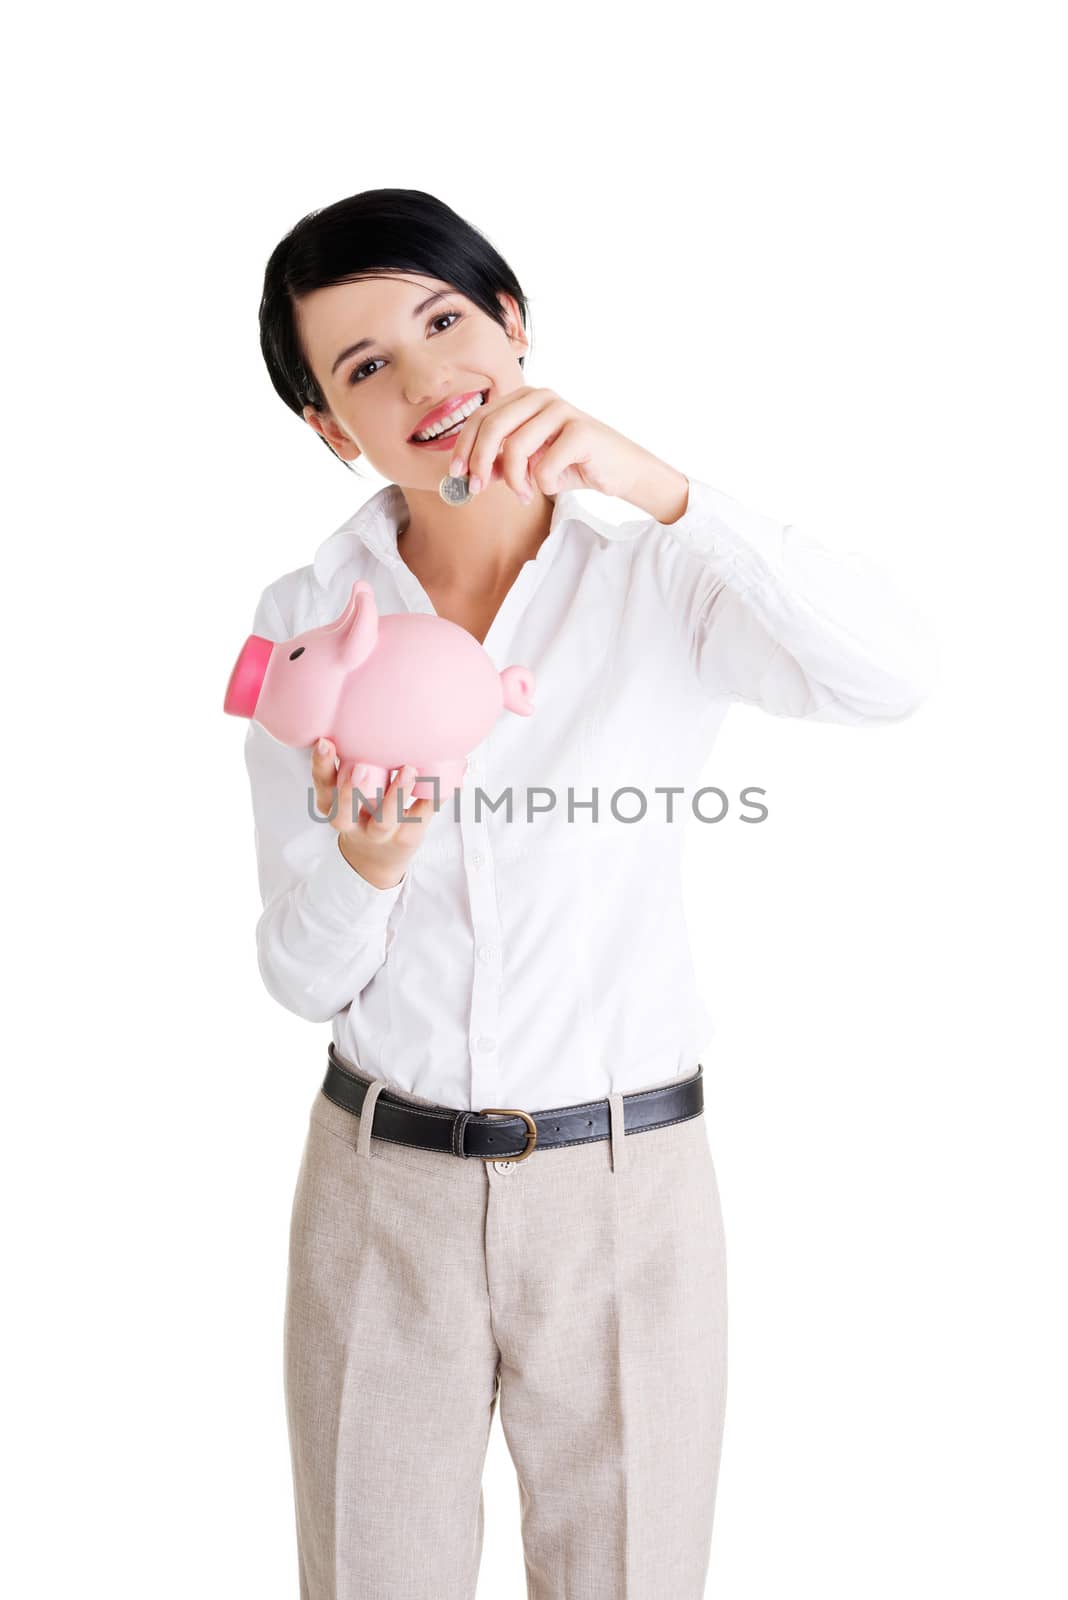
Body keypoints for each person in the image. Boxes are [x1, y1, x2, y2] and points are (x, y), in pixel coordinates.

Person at [244, 187, 934, 1600]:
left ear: (512, 324)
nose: (429, 378)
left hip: (626, 1193)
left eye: (445, 320)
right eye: (366, 365)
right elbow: (305, 975)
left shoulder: (662, 582)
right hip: (384, 1193)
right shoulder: (305, 622)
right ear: (332, 429)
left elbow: (892, 677)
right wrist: (368, 869)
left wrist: (665, 485)